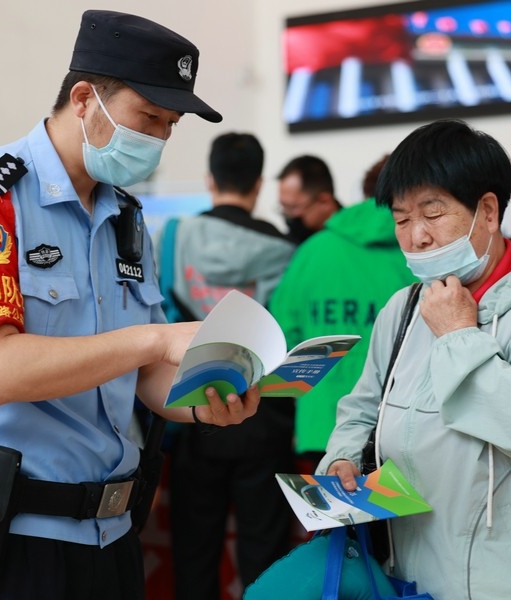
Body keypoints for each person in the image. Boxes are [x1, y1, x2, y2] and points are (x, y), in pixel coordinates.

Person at [0, 11, 258, 599]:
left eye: (170, 125)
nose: (159, 139)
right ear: (83, 99)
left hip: (111, 534)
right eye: (148, 117)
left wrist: (207, 402)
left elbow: (143, 378)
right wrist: (156, 339)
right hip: (7, 540)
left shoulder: (126, 218)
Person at [319, 119, 511, 598]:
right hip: (413, 576)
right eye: (402, 220)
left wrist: (456, 334)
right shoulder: (404, 308)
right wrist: (341, 458)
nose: (417, 237)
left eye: (433, 213)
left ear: (487, 212)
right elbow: (364, 407)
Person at [162, 132, 297, 599]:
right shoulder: (286, 250)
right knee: (265, 557)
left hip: (191, 410)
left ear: (209, 179)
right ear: (258, 184)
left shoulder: (171, 240)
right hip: (265, 415)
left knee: (194, 553)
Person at [268, 154, 417, 472]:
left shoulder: (312, 251)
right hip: (399, 426)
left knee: (326, 506)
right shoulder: (418, 254)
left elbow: (281, 339)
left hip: (320, 424)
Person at [276, 155, 341, 244]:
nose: (289, 215)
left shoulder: (351, 239)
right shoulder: (290, 243)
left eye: (293, 207)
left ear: (324, 201)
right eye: (284, 207)